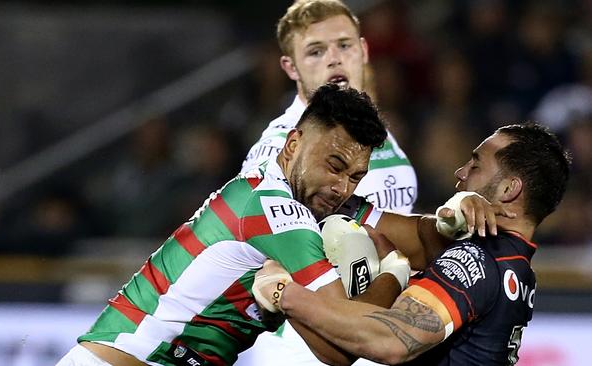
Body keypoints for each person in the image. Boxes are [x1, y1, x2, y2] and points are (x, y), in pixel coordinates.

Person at [56, 84, 388, 366]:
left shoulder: (265, 189)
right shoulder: (280, 212)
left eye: (356, 177)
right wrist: (393, 270)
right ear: (292, 144)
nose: (342, 188)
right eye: (334, 166)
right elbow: (346, 345)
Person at [254, 123, 571, 365]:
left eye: (475, 165)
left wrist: (286, 294)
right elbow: (419, 236)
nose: (461, 172)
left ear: (508, 190)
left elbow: (393, 339)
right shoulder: (515, 267)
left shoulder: (474, 260)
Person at [238, 1, 417, 364]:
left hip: (375, 333)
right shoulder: (282, 149)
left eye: (344, 45)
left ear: (364, 50)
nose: (334, 59)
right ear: (290, 67)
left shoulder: (367, 131)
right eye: (316, 51)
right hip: (304, 348)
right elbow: (263, 265)